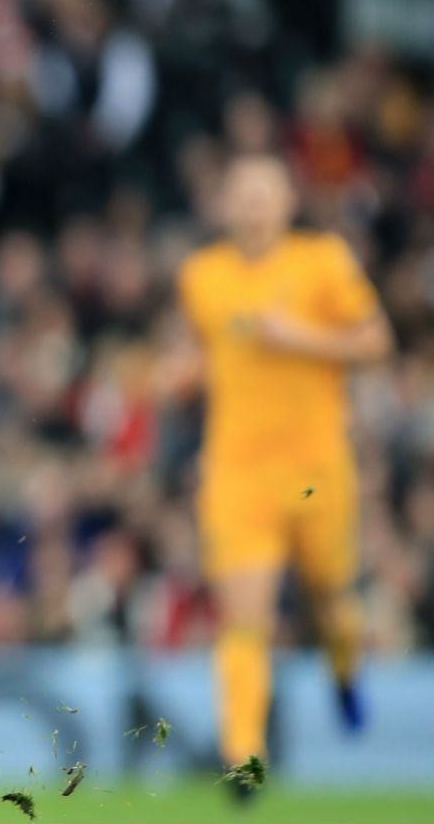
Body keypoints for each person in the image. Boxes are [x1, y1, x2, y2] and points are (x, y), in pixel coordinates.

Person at [175, 153, 392, 789]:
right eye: (241, 193)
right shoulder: (202, 275)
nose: (252, 204)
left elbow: (376, 341)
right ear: (223, 205)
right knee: (246, 618)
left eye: (264, 193)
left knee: (332, 600)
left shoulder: (322, 261)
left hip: (317, 469)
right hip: (237, 472)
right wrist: (175, 375)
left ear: (288, 202)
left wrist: (297, 336)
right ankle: (242, 755)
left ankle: (346, 670)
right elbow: (207, 352)